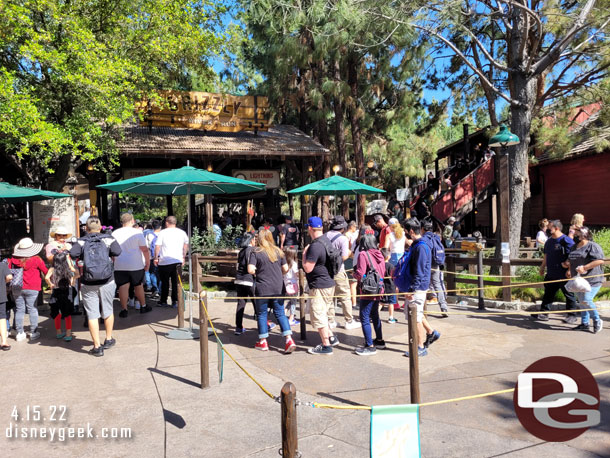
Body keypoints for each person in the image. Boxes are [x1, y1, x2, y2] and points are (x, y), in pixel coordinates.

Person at [70, 216, 122, 357]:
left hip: (88, 281)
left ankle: (97, 346)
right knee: (108, 308)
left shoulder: (81, 241)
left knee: (92, 313)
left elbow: (72, 254)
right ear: (100, 228)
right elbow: (118, 251)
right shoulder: (108, 238)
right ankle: (109, 338)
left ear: (86, 228)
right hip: (107, 280)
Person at [247, 229, 296, 353]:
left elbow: (251, 269)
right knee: (280, 313)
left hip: (263, 287)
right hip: (278, 287)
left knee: (262, 314)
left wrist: (259, 271)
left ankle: (263, 342)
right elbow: (285, 268)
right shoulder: (278, 252)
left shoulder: (256, 252)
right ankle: (289, 339)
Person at [401, 218, 441, 357]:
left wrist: (412, 289)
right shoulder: (419, 245)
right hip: (418, 285)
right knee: (417, 313)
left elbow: (419, 271)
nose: (404, 234)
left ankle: (420, 347)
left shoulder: (421, 247)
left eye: (405, 231)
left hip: (417, 287)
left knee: (415, 317)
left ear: (411, 231)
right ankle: (431, 332)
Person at [302, 216, 339, 355]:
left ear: (310, 228)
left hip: (319, 285)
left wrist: (305, 254)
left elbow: (308, 268)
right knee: (323, 313)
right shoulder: (326, 241)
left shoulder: (315, 246)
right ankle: (331, 337)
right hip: (329, 282)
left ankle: (326, 345)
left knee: (318, 315)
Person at [534, 220, 578, 322]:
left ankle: (572, 315)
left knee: (569, 294)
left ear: (556, 228)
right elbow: (546, 255)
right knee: (548, 293)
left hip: (564, 274)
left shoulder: (566, 241)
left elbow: (574, 256)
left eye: (550, 227)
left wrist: (570, 269)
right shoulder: (549, 241)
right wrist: (542, 267)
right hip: (551, 273)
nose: (548, 229)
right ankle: (544, 313)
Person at [564, 227, 605, 333]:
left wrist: (585, 268)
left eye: (577, 233)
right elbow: (571, 259)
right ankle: (584, 323)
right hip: (578, 280)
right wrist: (568, 268)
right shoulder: (574, 247)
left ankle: (597, 320)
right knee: (582, 302)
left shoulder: (593, 246)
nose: (575, 235)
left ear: (584, 234)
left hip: (592, 279)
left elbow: (600, 260)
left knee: (586, 300)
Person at [353, 233, 386, 355]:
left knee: (364, 317)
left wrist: (354, 274)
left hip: (368, 290)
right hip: (379, 288)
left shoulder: (363, 254)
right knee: (375, 315)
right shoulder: (380, 254)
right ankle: (379, 340)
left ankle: (369, 345)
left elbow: (361, 274)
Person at [112, 213, 151, 317]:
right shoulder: (137, 233)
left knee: (123, 286)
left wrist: (114, 261)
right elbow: (144, 249)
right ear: (132, 221)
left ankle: (124, 309)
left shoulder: (115, 233)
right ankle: (143, 306)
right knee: (138, 285)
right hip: (135, 264)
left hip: (120, 263)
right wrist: (148, 262)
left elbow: (112, 250)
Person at [9, 238, 48, 342]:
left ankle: (20, 333)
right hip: (32, 287)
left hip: (17, 287)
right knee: (32, 309)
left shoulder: (13, 260)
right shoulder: (36, 259)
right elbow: (45, 271)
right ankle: (33, 332)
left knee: (19, 309)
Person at [326, 216, 359, 329]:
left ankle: (330, 320)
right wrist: (350, 253)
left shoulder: (325, 236)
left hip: (326, 270)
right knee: (345, 296)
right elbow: (344, 256)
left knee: (330, 296)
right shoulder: (342, 239)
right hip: (339, 270)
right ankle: (349, 320)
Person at [154, 216, 189, 308]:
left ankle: (163, 300)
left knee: (164, 282)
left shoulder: (162, 233)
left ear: (166, 223)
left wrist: (156, 258)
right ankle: (175, 301)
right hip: (177, 260)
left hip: (164, 260)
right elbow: (186, 244)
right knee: (176, 282)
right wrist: (183, 256)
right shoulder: (182, 233)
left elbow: (157, 246)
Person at [45, 251, 77, 341]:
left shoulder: (52, 269)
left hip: (56, 291)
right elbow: (75, 276)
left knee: (57, 313)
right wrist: (73, 278)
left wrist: (51, 284)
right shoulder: (68, 269)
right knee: (67, 314)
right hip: (67, 292)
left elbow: (46, 277)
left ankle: (59, 333)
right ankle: (68, 334)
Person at [422, 220, 449, 317]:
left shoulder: (425, 238)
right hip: (436, 265)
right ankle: (444, 307)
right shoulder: (436, 237)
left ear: (423, 229)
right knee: (438, 286)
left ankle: (422, 309)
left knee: (423, 286)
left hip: (427, 265)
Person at [234, 232, 256, 335]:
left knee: (241, 303)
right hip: (249, 279)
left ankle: (238, 327)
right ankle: (264, 325)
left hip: (239, 279)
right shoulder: (252, 250)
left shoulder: (241, 251)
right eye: (254, 239)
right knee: (257, 302)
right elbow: (251, 267)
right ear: (251, 240)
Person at [144, 220, 162, 297]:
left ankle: (155, 289)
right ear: (160, 227)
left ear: (152, 227)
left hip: (152, 257)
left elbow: (147, 248)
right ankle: (160, 290)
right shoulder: (163, 234)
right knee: (161, 274)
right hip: (162, 257)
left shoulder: (148, 235)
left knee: (153, 273)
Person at [282, 246, 300, 326]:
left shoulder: (283, 263)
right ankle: (291, 318)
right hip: (293, 284)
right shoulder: (294, 264)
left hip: (285, 284)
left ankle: (284, 312)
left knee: (290, 300)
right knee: (293, 302)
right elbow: (297, 274)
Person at [380, 248, 397, 323]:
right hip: (391, 287)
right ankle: (391, 317)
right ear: (388, 256)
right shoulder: (391, 266)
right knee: (391, 303)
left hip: (382, 287)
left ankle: (374, 316)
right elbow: (394, 276)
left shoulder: (380, 265)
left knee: (381, 302)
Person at [0, 261, 13, 350]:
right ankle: (4, 342)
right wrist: (4, 281)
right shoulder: (2, 265)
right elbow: (9, 276)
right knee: (2, 317)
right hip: (1, 295)